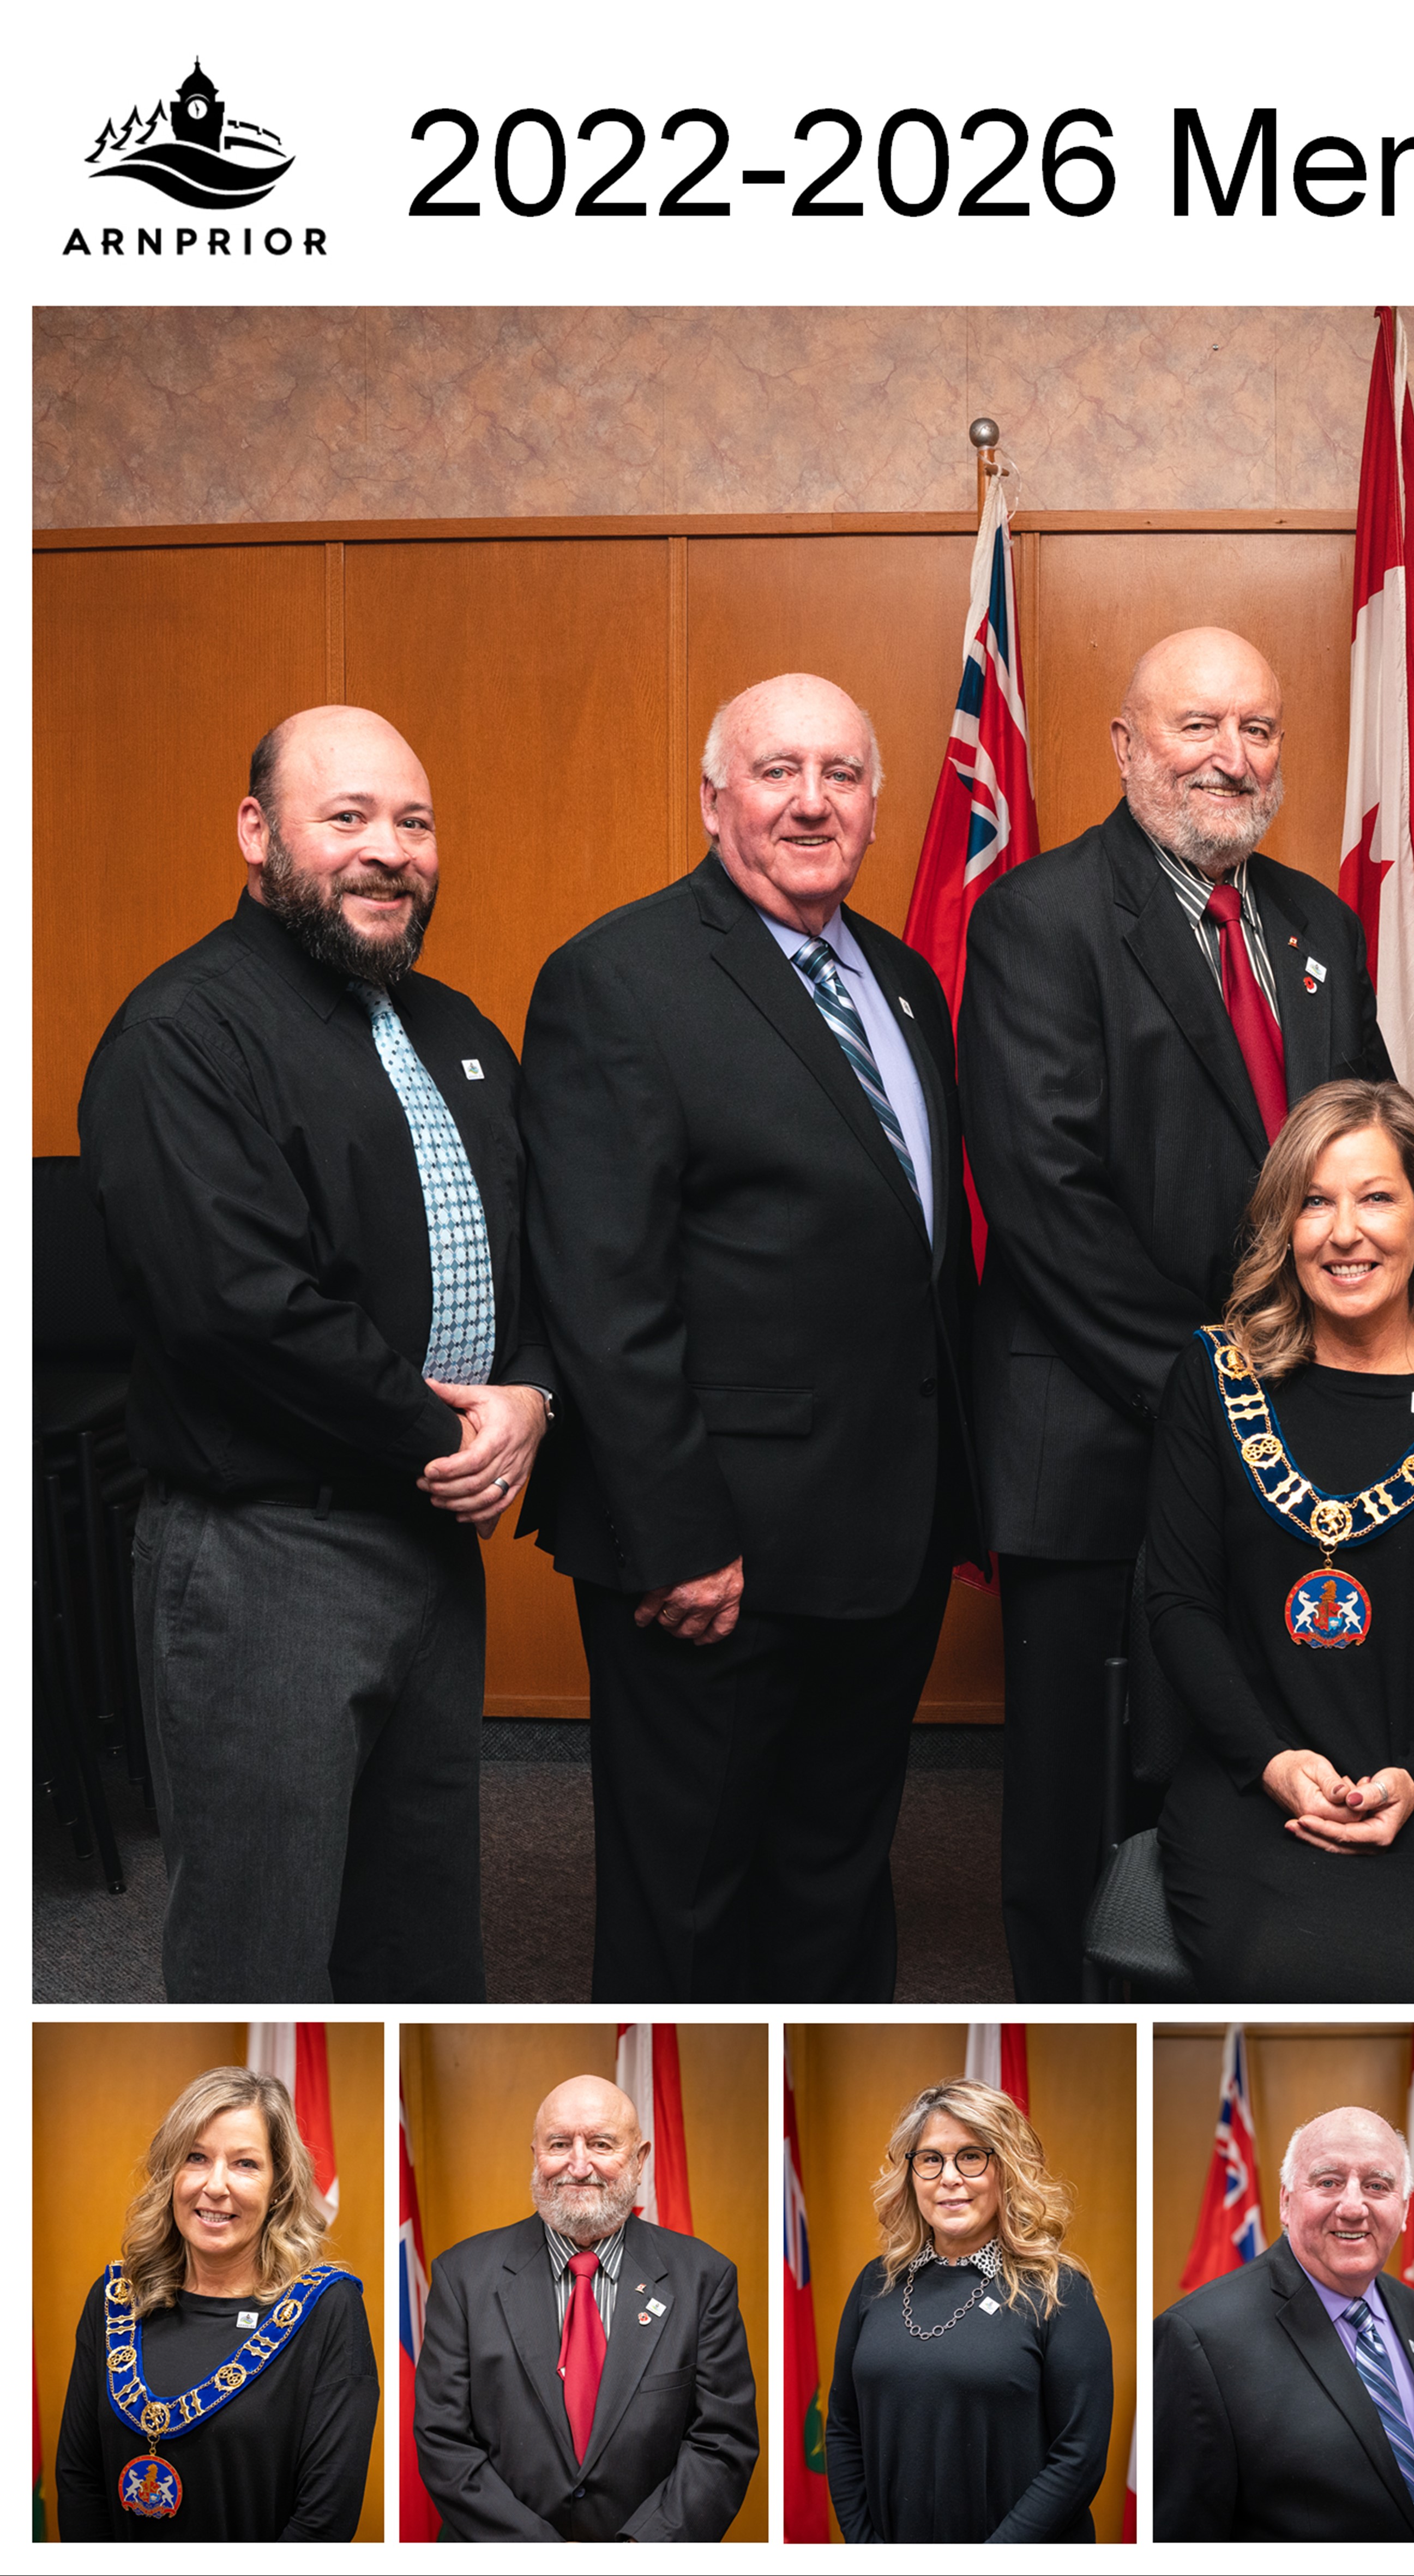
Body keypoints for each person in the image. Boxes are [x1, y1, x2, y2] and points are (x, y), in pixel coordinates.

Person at [78, 705, 550, 2004]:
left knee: (418, 1939)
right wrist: (448, 1434)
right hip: (262, 1560)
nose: (388, 850)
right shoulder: (182, 1034)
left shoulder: (453, 1027)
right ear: (257, 832)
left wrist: (530, 1393)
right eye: (346, 817)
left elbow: (539, 1243)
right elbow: (243, 1306)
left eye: (413, 820)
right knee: (263, 1947)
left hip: (429, 1545)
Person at [519, 672, 979, 2002]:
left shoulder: (900, 980)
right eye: (777, 771)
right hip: (710, 1551)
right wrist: (677, 1533)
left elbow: (909, 1254)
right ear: (714, 797)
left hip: (880, 1534)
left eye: (839, 773)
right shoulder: (621, 975)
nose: (810, 800)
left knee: (836, 1870)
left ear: (876, 805)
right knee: (691, 1898)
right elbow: (604, 1291)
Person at [960, 626, 1394, 2001]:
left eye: (1256, 729)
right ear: (1124, 746)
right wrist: (1223, 1392)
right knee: (1076, 1798)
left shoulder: (1316, 924)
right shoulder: (1038, 916)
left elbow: (1367, 1159)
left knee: (1239, 1758)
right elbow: (1047, 1199)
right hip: (1097, 1432)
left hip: (1291, 1436)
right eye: (1196, 725)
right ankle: (1072, 2034)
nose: (1230, 756)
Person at [1139, 1079, 1414, 2000]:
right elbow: (1175, 1602)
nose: (1344, 1231)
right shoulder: (1214, 1373)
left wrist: (1413, 1775)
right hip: (1256, 1778)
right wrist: (1274, 1762)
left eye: (1375, 1197)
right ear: (1282, 1228)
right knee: (1272, 1966)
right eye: (1313, 1201)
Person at [412, 2072, 759, 2543]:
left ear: (639, 2160)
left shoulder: (704, 2278)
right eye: (559, 2145)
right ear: (535, 2157)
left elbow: (722, 2443)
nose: (579, 2165)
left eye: (600, 2144)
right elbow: (443, 2442)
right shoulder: (462, 2277)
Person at [55, 2067, 376, 2542]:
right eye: (196, 2157)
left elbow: (324, 2521)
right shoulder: (114, 2300)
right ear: (170, 2174)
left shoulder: (329, 2309)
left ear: (279, 2185)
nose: (216, 2186)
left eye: (245, 2164)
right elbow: (80, 2481)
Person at [826, 2078, 1114, 2544]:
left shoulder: (1060, 2291)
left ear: (1007, 2170)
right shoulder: (874, 2283)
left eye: (972, 2156)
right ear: (911, 2174)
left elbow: (1078, 2458)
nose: (949, 2177)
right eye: (931, 2159)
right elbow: (842, 2428)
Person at [1155, 2105, 1414, 2544]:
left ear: (1405, 2208)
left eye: (1377, 2185)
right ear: (1286, 2200)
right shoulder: (1197, 2338)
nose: (1353, 2207)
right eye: (1329, 2182)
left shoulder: (1411, 2310)